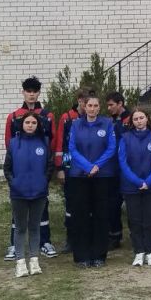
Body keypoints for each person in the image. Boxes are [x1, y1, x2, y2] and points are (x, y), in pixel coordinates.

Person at [3, 76, 57, 261]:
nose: (31, 95)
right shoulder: (14, 116)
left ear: (39, 93)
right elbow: (9, 142)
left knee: (42, 207)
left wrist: (47, 170)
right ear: (23, 93)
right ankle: (14, 245)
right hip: (20, 170)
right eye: (28, 91)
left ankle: (45, 242)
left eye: (34, 92)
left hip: (39, 168)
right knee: (18, 210)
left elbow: (52, 141)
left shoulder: (48, 115)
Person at [67, 95, 117, 268]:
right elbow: (72, 148)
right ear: (84, 107)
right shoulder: (76, 124)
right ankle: (82, 256)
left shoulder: (107, 124)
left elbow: (111, 147)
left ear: (99, 107)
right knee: (80, 215)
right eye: (90, 105)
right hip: (80, 175)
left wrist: (97, 166)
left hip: (101, 175)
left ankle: (99, 255)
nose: (92, 108)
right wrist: (88, 166)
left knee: (100, 215)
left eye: (96, 105)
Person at [118, 108, 151, 267]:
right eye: (135, 119)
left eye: (141, 118)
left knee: (150, 220)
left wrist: (149, 181)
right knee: (135, 220)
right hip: (132, 186)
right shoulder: (125, 138)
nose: (139, 121)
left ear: (147, 119)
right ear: (132, 122)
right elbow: (123, 162)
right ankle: (138, 252)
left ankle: (149, 252)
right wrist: (137, 182)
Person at [54, 87, 92, 254]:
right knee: (72, 204)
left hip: (90, 168)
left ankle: (89, 237)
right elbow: (61, 144)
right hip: (71, 168)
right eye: (85, 102)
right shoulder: (67, 118)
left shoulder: (94, 118)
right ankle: (71, 239)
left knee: (90, 203)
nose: (88, 106)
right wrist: (61, 168)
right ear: (79, 101)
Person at [105, 91, 132, 250]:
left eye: (111, 105)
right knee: (113, 204)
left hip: (128, 168)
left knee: (132, 204)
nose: (109, 108)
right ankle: (114, 236)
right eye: (107, 105)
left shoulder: (131, 119)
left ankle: (136, 236)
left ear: (120, 103)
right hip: (113, 168)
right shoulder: (111, 121)